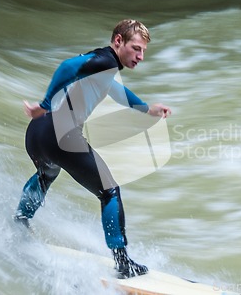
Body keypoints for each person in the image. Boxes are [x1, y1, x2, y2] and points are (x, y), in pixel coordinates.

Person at [13, 19, 171, 279]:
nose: (140, 56)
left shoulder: (101, 63)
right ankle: (122, 262)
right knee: (110, 191)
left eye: (143, 51)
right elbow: (67, 67)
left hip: (38, 133)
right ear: (118, 41)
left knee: (47, 173)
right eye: (136, 48)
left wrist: (145, 108)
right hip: (58, 132)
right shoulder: (106, 61)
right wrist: (43, 103)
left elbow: (114, 89)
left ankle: (20, 223)